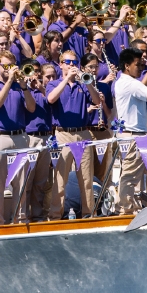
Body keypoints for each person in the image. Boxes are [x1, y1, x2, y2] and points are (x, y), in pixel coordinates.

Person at [47, 50, 105, 218]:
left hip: (82, 134)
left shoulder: (82, 84)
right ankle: (55, 215)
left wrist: (87, 82)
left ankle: (89, 214)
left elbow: (97, 101)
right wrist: (66, 79)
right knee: (60, 179)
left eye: (74, 62)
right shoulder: (55, 83)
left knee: (86, 179)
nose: (71, 65)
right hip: (62, 134)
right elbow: (51, 99)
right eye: (67, 62)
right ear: (61, 64)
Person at [114, 48, 147, 214]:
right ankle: (124, 210)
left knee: (132, 176)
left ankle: (130, 208)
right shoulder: (129, 82)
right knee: (130, 176)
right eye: (138, 64)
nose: (141, 67)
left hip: (131, 134)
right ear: (127, 66)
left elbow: (140, 88)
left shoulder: (126, 81)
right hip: (132, 135)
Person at [0, 53, 35, 224]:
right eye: (6, 66)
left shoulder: (19, 86)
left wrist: (24, 87)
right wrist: (9, 82)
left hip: (20, 136)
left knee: (21, 182)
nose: (10, 70)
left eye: (12, 65)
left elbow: (31, 108)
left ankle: (20, 218)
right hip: (0, 137)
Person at [23, 62, 56, 221]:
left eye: (37, 72)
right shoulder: (23, 90)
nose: (34, 75)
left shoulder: (48, 91)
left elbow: (52, 102)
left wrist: (42, 87)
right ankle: (23, 215)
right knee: (27, 180)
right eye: (32, 72)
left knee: (41, 181)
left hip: (46, 137)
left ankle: (37, 216)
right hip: (30, 137)